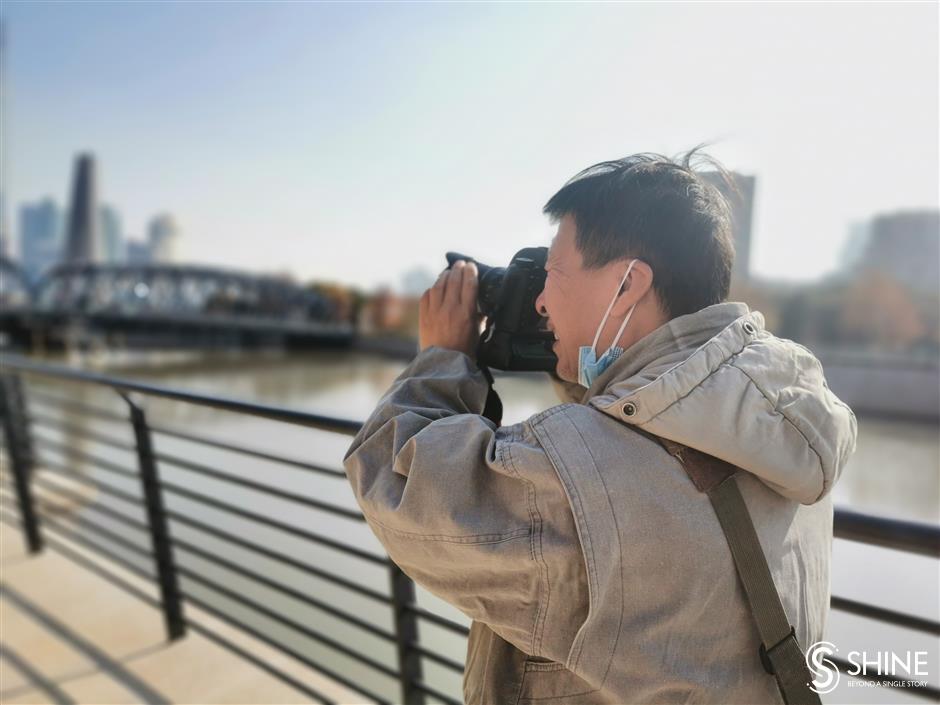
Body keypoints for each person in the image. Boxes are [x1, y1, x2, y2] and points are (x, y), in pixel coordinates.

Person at [343, 150, 858, 704]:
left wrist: (443, 357)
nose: (540, 301)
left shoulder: (578, 478)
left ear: (627, 285)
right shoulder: (780, 416)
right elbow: (641, 413)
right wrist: (574, 354)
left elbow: (394, 482)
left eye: (554, 275)